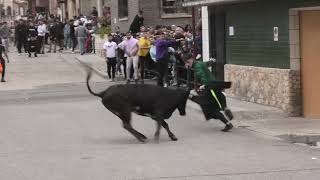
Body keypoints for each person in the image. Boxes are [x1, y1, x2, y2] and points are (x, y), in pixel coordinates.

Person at [183, 54, 234, 132]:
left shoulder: (197, 67)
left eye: (187, 63)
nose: (186, 65)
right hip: (214, 84)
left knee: (211, 109)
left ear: (189, 61)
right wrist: (211, 61)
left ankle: (227, 123)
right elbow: (206, 64)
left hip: (209, 86)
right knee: (218, 98)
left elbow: (203, 76)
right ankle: (225, 109)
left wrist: (204, 85)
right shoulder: (199, 63)